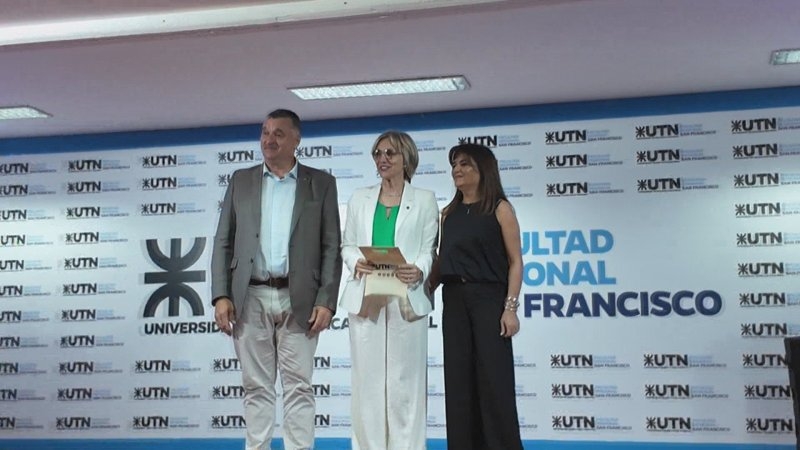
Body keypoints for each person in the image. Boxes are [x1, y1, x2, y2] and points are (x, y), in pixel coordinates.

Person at [211, 108, 342, 450]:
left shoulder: (321, 183)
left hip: (300, 298)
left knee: (299, 387)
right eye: (265, 132)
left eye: (278, 134)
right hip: (249, 296)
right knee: (256, 386)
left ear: (297, 140)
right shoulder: (241, 180)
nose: (269, 140)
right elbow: (224, 240)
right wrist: (221, 295)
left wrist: (327, 300)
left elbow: (331, 246)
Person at [339, 131, 439, 450]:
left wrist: (419, 268)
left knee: (404, 384)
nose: (382, 159)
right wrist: (355, 261)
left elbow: (429, 249)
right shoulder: (359, 197)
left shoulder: (424, 199)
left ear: (406, 159)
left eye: (390, 153)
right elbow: (347, 245)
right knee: (367, 383)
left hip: (406, 298)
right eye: (378, 153)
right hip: (366, 297)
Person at [428, 143, 524, 450]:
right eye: (454, 164)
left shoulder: (500, 209)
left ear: (484, 169)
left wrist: (510, 307)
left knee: (494, 381)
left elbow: (515, 262)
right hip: (454, 302)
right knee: (459, 382)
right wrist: (421, 289)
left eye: (465, 164)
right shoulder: (448, 214)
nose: (457, 169)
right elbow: (442, 261)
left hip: (489, 300)